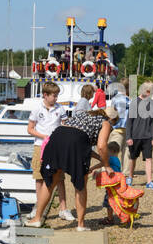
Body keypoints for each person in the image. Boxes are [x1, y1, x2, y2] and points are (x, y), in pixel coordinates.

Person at [32, 104, 117, 231]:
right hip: (76, 141)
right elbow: (101, 146)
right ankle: (80, 225)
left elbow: (80, 142)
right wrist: (107, 165)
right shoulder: (106, 122)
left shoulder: (86, 114)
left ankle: (36, 219)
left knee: (50, 182)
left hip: (57, 136)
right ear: (112, 119)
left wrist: (100, 158)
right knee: (80, 185)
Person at [27, 81, 74, 223]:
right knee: (39, 177)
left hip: (56, 147)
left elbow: (65, 126)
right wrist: (44, 137)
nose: (56, 98)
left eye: (57, 95)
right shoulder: (37, 109)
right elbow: (30, 129)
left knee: (60, 178)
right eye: (54, 96)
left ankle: (63, 209)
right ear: (45, 95)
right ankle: (38, 207)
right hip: (40, 146)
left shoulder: (60, 109)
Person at [125, 82, 153, 190]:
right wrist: (128, 137)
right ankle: (130, 177)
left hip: (148, 137)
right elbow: (129, 122)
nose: (149, 94)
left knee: (149, 158)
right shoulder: (135, 103)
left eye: (150, 92)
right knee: (133, 158)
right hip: (135, 136)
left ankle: (149, 181)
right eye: (148, 91)